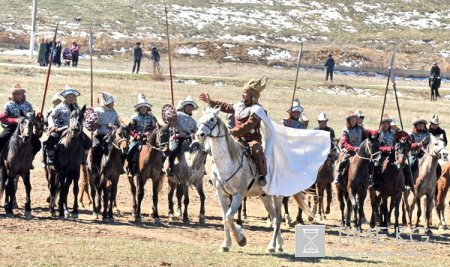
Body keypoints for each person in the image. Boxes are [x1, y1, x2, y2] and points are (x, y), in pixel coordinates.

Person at [199, 75, 268, 187]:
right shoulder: (239, 106)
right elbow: (225, 106)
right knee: (220, 149)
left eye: (245, 92)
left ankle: (262, 176)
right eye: (243, 91)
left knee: (257, 150)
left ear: (252, 96)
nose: (243, 94)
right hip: (237, 139)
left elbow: (248, 126)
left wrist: (232, 131)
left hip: (251, 140)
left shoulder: (258, 110)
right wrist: (210, 101)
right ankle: (216, 175)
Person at [45, 87, 91, 165]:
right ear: (65, 97)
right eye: (69, 97)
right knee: (50, 140)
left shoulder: (78, 108)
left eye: (73, 97)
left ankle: (84, 157)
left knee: (88, 141)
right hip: (61, 128)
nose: (71, 98)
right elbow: (51, 117)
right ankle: (50, 158)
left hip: (76, 129)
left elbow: (83, 119)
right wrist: (52, 125)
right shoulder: (60, 107)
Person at [0, 84, 41, 163]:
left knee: (37, 144)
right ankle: (1, 160)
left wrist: (37, 118)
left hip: (25, 128)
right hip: (12, 127)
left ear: (23, 95)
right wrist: (15, 120)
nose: (19, 96)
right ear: (13, 95)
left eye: (21, 94)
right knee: (1, 139)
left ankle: (30, 159)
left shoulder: (28, 105)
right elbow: (3, 118)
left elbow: (32, 117)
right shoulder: (8, 105)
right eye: (17, 94)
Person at [333, 111, 377, 186]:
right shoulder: (345, 130)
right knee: (343, 160)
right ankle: (338, 176)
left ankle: (369, 178)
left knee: (370, 161)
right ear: (349, 121)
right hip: (348, 151)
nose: (353, 121)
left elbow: (368, 132)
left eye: (355, 119)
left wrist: (376, 132)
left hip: (360, 152)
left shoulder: (360, 128)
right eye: (352, 119)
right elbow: (344, 143)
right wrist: (353, 148)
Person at [90, 92, 122, 176]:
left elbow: (118, 124)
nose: (113, 103)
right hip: (99, 134)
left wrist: (115, 127)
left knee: (120, 149)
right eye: (112, 102)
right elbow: (90, 122)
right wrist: (96, 123)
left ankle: (119, 167)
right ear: (107, 103)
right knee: (94, 149)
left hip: (111, 135)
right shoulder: (97, 111)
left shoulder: (114, 112)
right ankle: (94, 166)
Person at [127, 93, 158, 177]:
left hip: (150, 139)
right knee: (130, 150)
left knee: (160, 150)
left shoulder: (152, 118)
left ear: (147, 108)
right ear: (138, 109)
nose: (143, 108)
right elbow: (130, 129)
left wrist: (149, 133)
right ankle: (131, 168)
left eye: (145, 107)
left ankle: (160, 168)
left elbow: (155, 127)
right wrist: (136, 135)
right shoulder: (134, 118)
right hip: (138, 139)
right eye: (141, 107)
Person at [166, 96, 198, 177]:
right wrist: (170, 114)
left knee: (200, 151)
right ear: (184, 107)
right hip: (178, 138)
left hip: (189, 139)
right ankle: (170, 167)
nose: (189, 108)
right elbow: (168, 117)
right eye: (188, 106)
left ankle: (200, 169)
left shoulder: (193, 121)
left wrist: (194, 135)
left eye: (191, 106)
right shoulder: (177, 115)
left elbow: (196, 131)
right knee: (174, 151)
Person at [408, 117, 430, 189]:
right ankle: (407, 183)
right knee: (410, 164)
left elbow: (429, 143)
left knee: (436, 166)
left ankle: (434, 181)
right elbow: (409, 145)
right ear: (415, 125)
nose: (421, 125)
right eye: (419, 124)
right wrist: (417, 145)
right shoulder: (411, 134)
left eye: (422, 124)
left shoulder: (427, 134)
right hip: (414, 154)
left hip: (425, 155)